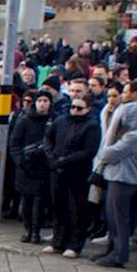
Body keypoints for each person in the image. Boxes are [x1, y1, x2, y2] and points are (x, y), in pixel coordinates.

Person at [91, 96, 137, 267]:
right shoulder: (135, 133)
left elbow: (108, 154)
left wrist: (108, 142)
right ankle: (111, 249)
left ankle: (119, 254)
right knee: (112, 217)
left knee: (119, 219)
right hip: (116, 177)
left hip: (123, 179)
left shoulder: (134, 136)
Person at [43, 92, 101, 258]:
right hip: (57, 170)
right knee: (58, 206)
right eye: (73, 107)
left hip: (77, 173)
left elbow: (89, 151)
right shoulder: (61, 120)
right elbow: (48, 137)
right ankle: (57, 242)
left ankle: (74, 244)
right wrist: (51, 155)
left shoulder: (91, 126)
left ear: (88, 109)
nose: (74, 110)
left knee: (76, 209)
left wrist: (65, 159)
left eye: (79, 108)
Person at [9, 91, 53, 243]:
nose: (42, 104)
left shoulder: (53, 121)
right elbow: (14, 143)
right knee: (26, 202)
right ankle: (28, 229)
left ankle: (36, 231)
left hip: (44, 167)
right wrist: (20, 161)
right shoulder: (24, 121)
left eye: (45, 100)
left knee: (39, 202)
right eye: (40, 100)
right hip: (26, 167)